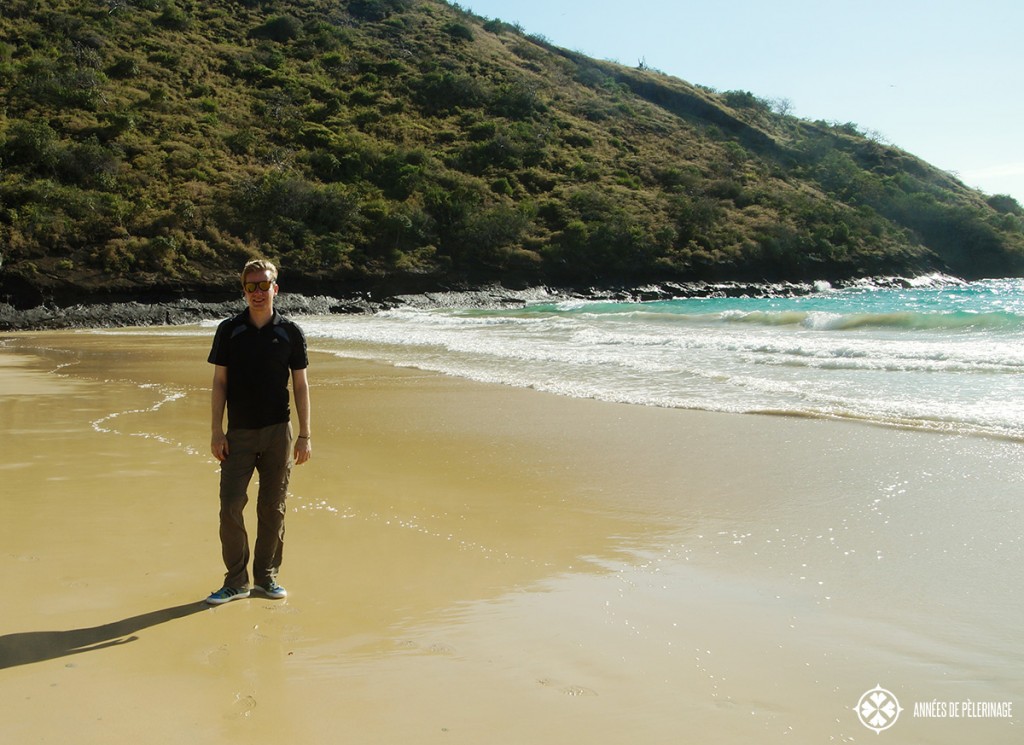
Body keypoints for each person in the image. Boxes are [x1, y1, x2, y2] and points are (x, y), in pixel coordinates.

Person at [204, 259, 312, 604]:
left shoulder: (290, 333)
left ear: (275, 289)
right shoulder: (229, 330)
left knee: (272, 507)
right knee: (230, 505)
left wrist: (305, 435)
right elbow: (220, 382)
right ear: (244, 291)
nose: (258, 293)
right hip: (238, 433)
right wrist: (216, 431)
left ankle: (266, 577)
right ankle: (236, 581)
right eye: (251, 287)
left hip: (279, 432)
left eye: (264, 285)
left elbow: (301, 386)